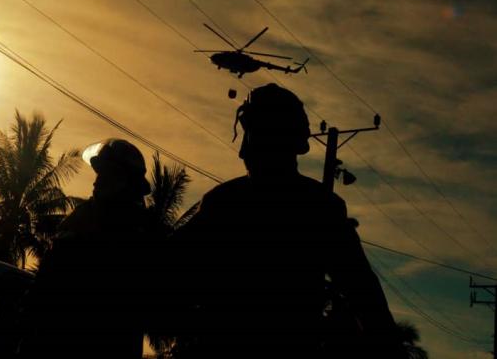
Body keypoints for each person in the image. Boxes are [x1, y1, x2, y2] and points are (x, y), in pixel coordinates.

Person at [168, 83, 400, 357]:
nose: (243, 151)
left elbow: (362, 291)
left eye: (253, 136)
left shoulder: (313, 207)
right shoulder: (226, 203)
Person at [28, 138, 163, 358]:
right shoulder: (85, 216)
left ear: (124, 182)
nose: (98, 181)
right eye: (99, 173)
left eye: (107, 174)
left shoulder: (139, 231)